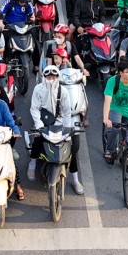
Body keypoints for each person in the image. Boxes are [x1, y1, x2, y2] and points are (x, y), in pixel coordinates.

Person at [28, 65, 87, 194]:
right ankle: (32, 164)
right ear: (44, 77)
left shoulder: (63, 91)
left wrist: (67, 130)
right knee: (37, 141)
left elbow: (67, 112)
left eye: (53, 76)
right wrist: (38, 125)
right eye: (48, 76)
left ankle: (75, 180)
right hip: (44, 123)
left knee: (72, 149)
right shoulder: (38, 89)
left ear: (57, 77)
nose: (51, 78)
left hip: (60, 124)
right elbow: (34, 109)